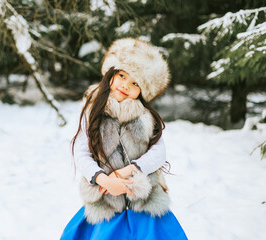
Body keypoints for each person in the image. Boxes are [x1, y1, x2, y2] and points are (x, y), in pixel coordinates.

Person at [60, 38, 188, 240]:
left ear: (142, 91)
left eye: (135, 83)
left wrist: (125, 173)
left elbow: (158, 153)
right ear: (111, 73)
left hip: (143, 203)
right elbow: (81, 152)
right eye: (122, 76)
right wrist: (104, 180)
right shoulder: (92, 111)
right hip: (106, 201)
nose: (126, 85)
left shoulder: (146, 117)